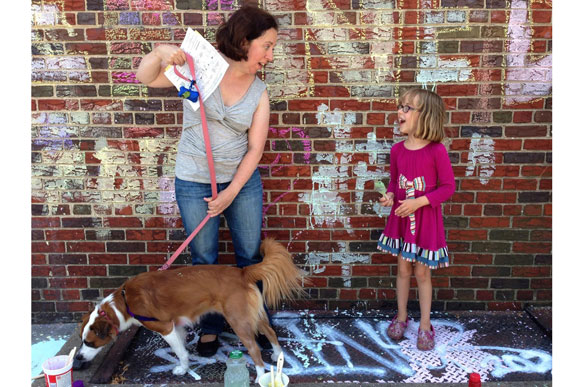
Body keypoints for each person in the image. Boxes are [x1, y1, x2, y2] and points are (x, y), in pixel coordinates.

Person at [135, 5, 278, 357]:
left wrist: (230, 193)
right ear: (245, 41)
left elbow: (255, 150)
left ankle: (258, 321)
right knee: (204, 260)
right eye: (268, 46)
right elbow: (146, 78)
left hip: (240, 186)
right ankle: (211, 326)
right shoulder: (201, 68)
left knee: (248, 259)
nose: (271, 55)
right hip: (193, 181)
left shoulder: (259, 91)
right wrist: (160, 53)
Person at [377, 88, 455, 351]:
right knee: (402, 269)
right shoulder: (398, 150)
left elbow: (447, 187)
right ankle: (401, 317)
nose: (400, 111)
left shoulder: (436, 151)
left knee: (422, 272)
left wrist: (419, 202)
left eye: (407, 108)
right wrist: (390, 196)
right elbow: (394, 183)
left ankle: (424, 325)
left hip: (425, 222)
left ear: (425, 116)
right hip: (402, 222)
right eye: (401, 106)